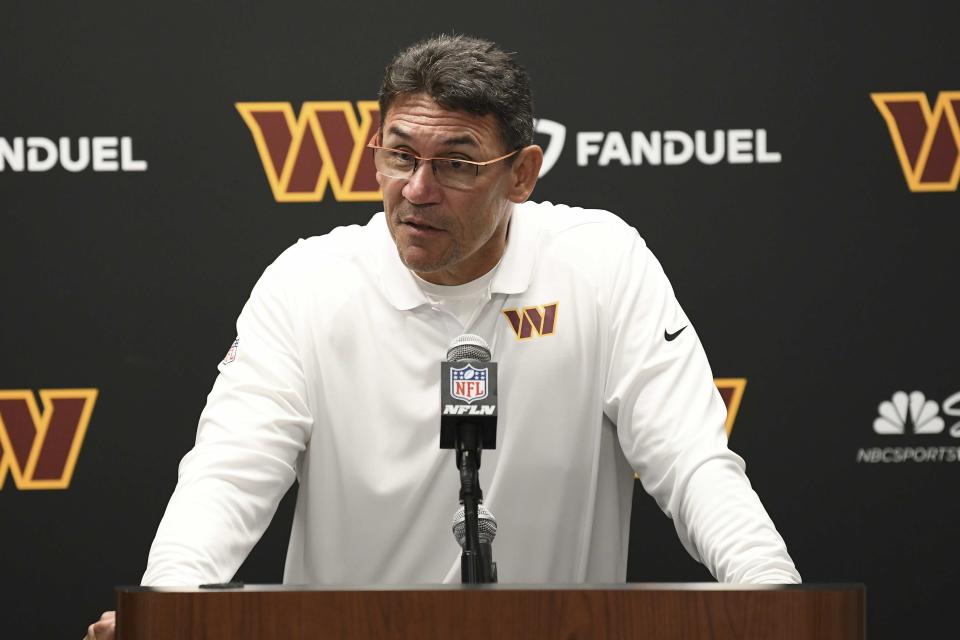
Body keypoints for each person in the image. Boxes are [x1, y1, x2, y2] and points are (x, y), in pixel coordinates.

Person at [84, 34, 799, 640]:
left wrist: (777, 599)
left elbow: (693, 462)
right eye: (400, 157)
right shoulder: (307, 282)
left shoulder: (601, 264)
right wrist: (169, 611)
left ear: (521, 174)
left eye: (456, 164)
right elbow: (226, 477)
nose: (417, 189)